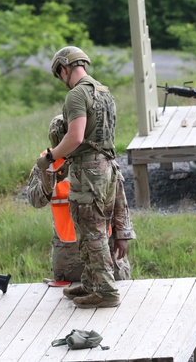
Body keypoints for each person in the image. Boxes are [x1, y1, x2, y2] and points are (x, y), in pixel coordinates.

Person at [39, 46, 123, 308]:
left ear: (64, 68)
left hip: (88, 172)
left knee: (92, 231)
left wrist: (51, 157)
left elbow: (74, 137)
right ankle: (91, 282)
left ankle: (106, 292)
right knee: (89, 228)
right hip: (106, 168)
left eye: (59, 74)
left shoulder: (76, 95)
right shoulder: (104, 92)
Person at [27, 114, 134, 284]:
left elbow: (119, 200)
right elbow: (34, 200)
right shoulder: (46, 163)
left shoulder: (100, 157)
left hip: (104, 245)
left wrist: (122, 235)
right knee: (68, 300)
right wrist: (48, 186)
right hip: (69, 253)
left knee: (117, 286)